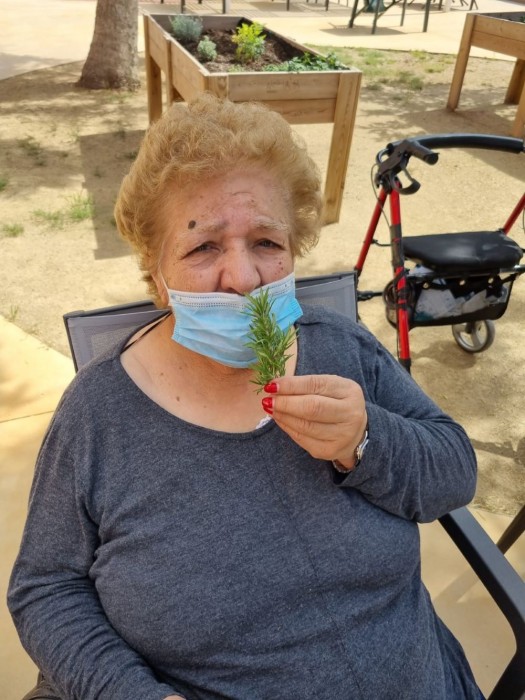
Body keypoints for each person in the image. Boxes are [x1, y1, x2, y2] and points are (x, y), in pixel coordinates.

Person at [8, 93, 483, 700]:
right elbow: (47, 589)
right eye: (203, 247)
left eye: (266, 242)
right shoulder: (99, 414)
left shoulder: (342, 348)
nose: (244, 278)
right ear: (156, 269)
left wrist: (367, 439)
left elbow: (454, 474)